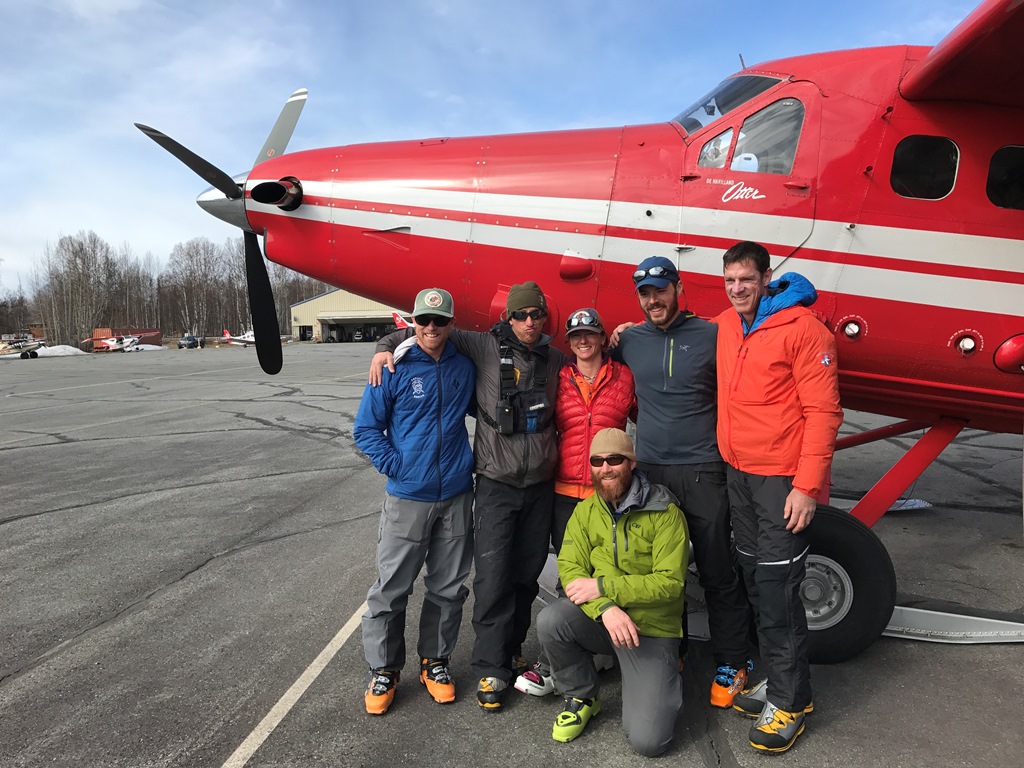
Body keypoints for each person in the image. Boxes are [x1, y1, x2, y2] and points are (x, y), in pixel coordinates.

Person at [370, 281, 564, 712]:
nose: (529, 322)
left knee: (518, 577)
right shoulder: (481, 347)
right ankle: (486, 665)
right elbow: (425, 332)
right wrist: (384, 345)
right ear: (507, 318)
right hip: (489, 481)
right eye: (520, 315)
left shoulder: (554, 359)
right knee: (485, 577)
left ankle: (492, 652)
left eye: (536, 314)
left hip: (528, 486)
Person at [713, 241, 842, 753]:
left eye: (746, 279)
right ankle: (790, 686)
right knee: (752, 575)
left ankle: (788, 704)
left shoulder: (805, 331)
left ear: (767, 277)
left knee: (778, 588)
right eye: (730, 281)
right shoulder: (726, 324)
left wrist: (807, 487)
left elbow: (824, 412)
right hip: (739, 475)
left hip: (781, 482)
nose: (738, 289)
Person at [611, 255, 753, 707]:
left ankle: (733, 661)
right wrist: (400, 340)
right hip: (650, 472)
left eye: (660, 290)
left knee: (716, 569)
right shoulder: (629, 339)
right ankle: (668, 649)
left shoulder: (714, 333)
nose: (653, 300)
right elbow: (587, 352)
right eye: (645, 294)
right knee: (658, 572)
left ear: (677, 287)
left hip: (703, 469)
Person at [353, 288, 476, 715]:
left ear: (450, 324)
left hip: (457, 495)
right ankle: (384, 669)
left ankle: (435, 662)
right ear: (412, 321)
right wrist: (398, 466)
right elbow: (366, 429)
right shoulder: (393, 368)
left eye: (439, 322)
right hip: (408, 497)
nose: (430, 328)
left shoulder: (464, 365)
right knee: (391, 589)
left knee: (448, 587)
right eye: (423, 320)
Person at [536, 428, 688, 756]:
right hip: (606, 621)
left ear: (631, 463)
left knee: (650, 742)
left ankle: (664, 674)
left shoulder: (665, 513)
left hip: (650, 629)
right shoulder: (586, 512)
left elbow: (670, 584)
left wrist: (604, 586)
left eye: (615, 459)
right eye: (598, 461)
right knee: (551, 620)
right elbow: (572, 571)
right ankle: (582, 696)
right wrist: (606, 607)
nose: (606, 468)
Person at [515, 307, 636, 697]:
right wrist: (391, 342)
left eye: (590, 334)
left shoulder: (624, 376)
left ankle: (599, 647)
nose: (583, 341)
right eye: (576, 336)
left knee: (610, 568)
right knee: (572, 576)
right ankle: (562, 660)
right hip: (566, 491)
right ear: (569, 343)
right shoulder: (559, 376)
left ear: (602, 338)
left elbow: (644, 417)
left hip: (610, 492)